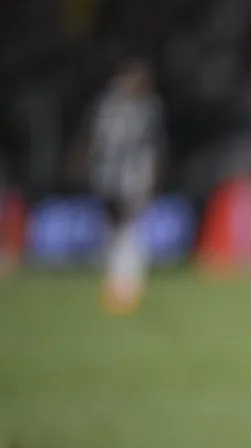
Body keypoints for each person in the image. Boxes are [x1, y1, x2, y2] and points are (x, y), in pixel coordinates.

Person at [74, 59, 165, 313]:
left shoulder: (149, 108)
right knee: (112, 220)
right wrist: (82, 158)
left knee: (131, 220)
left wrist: (155, 174)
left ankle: (128, 275)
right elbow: (92, 135)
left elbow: (156, 146)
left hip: (136, 175)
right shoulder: (108, 105)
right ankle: (113, 270)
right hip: (108, 174)